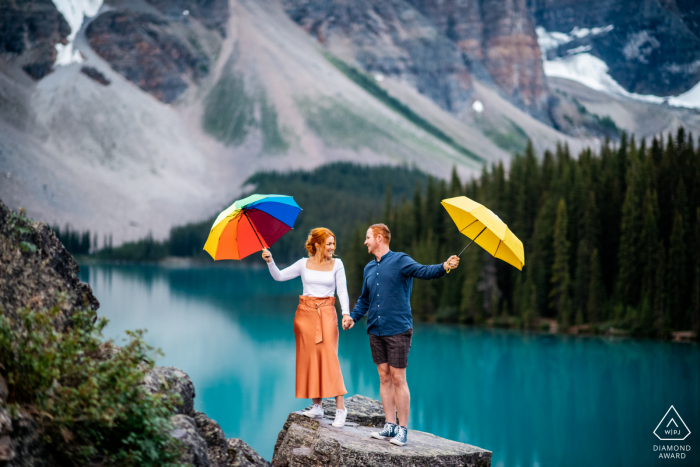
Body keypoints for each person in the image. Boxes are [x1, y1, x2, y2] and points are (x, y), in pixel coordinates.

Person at [342, 223, 459, 446]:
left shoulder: (400, 260)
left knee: (398, 378)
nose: (365, 242)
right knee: (384, 376)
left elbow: (424, 271)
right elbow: (365, 300)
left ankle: (403, 430)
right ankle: (389, 425)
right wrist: (353, 318)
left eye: (367, 237)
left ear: (379, 238)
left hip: (398, 329)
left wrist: (445, 266)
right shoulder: (368, 268)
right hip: (375, 329)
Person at [262, 227, 350, 427]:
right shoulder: (303, 264)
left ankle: (340, 409)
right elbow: (279, 276)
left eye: (333, 243)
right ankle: (317, 407)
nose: (332, 247)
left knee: (329, 358)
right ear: (317, 244)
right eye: (328, 243)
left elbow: (342, 291)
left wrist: (346, 313)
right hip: (305, 315)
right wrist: (270, 262)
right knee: (309, 359)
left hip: (326, 313)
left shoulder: (337, 264)